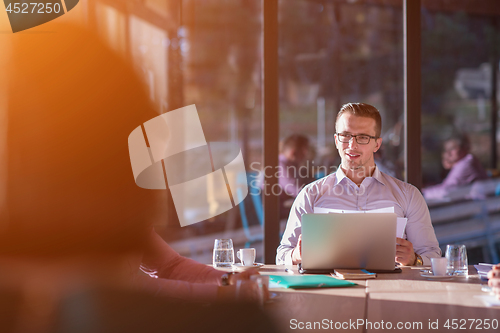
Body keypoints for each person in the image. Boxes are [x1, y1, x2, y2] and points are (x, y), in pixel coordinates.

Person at [0, 23, 268, 331]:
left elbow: (169, 266)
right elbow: (141, 292)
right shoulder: (237, 323)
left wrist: (226, 278)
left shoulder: (119, 226)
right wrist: (227, 294)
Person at [276, 103, 441, 266]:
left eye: (362, 137)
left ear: (377, 144)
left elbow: (433, 256)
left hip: (391, 291)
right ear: (336, 140)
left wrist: (414, 259)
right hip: (329, 290)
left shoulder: (408, 195)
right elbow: (281, 256)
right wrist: (296, 255)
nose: (352, 145)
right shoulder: (310, 195)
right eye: (345, 135)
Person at [422, 133, 488, 200]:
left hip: (477, 207)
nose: (448, 153)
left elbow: (447, 192)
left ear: (464, 148)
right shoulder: (464, 162)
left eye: (452, 149)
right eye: (446, 150)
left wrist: (422, 192)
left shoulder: (466, 164)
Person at [277, 134, 315, 218]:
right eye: (304, 151)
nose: (305, 155)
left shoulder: (286, 164)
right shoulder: (281, 166)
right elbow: (298, 191)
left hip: (284, 207)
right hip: (278, 212)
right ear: (293, 153)